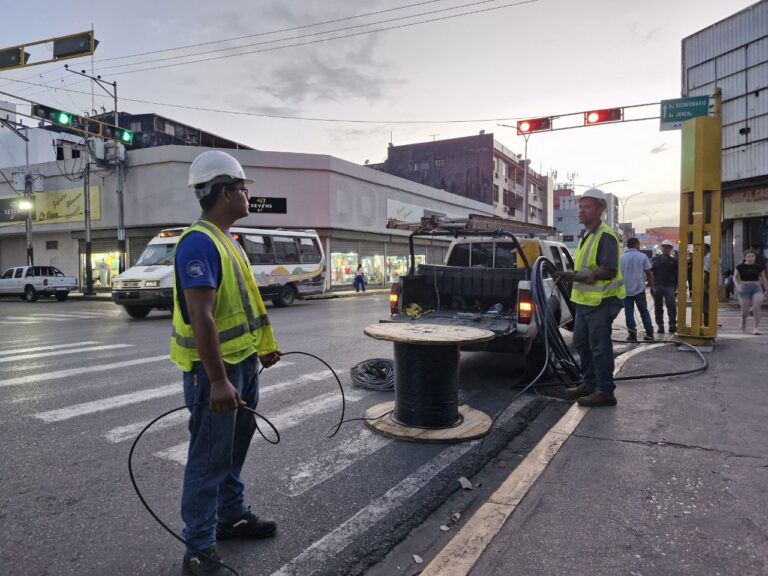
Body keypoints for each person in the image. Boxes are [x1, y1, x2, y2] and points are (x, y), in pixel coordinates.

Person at [170, 150, 282, 576]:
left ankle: (230, 516)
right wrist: (217, 381)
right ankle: (198, 549)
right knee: (209, 457)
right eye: (241, 188)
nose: (246, 195)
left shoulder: (226, 240)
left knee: (234, 449)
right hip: (213, 373)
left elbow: (245, 306)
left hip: (242, 364)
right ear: (222, 193)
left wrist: (263, 347)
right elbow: (202, 314)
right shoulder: (199, 242)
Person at [556, 188, 625, 407]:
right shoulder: (588, 235)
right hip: (585, 302)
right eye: (580, 207)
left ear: (600, 209)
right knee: (582, 344)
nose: (581, 211)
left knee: (599, 347)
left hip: (601, 302)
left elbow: (609, 270)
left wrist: (577, 276)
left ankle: (605, 391)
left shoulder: (605, 235)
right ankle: (589, 383)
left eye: (587, 207)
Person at [621, 237, 654, 342]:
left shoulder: (621, 258)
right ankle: (649, 334)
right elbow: (649, 273)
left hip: (625, 290)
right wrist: (652, 286)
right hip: (639, 290)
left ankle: (632, 335)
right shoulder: (643, 257)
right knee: (644, 311)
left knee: (628, 313)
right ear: (636, 245)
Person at [734, 249, 768, 334]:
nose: (750, 258)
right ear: (745, 258)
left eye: (752, 256)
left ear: (755, 257)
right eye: (748, 256)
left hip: (756, 288)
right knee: (745, 311)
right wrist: (737, 286)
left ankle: (756, 328)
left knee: (756, 307)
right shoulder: (740, 266)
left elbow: (763, 278)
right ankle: (743, 321)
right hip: (744, 288)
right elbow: (734, 277)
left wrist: (766, 289)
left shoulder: (759, 267)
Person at [651, 239, 678, 333]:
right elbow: (650, 273)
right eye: (664, 247)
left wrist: (677, 287)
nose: (665, 249)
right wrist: (651, 286)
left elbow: (678, 275)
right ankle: (660, 325)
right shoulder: (655, 259)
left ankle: (672, 325)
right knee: (658, 307)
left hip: (669, 286)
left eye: (668, 247)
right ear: (661, 248)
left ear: (671, 249)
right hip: (657, 286)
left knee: (671, 306)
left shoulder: (674, 261)